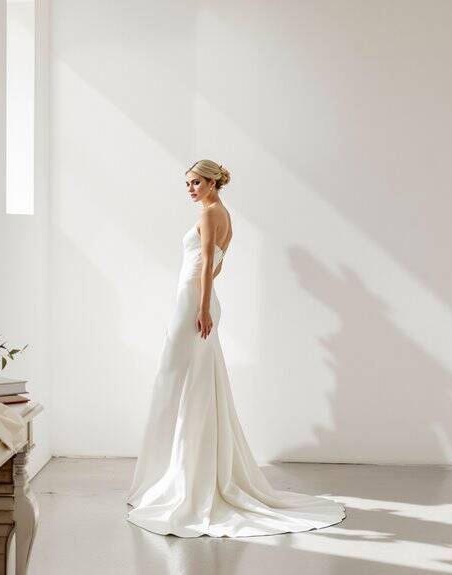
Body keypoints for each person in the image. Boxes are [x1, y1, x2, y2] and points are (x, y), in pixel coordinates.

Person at [125, 159, 346, 537]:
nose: (190, 189)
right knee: (191, 385)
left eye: (196, 182)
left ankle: (178, 481)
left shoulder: (211, 213)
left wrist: (200, 304)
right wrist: (205, 299)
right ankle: (180, 473)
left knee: (177, 385)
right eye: (188, 183)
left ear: (212, 183)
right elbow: (219, 264)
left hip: (193, 303)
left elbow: (209, 259)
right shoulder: (224, 214)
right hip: (199, 300)